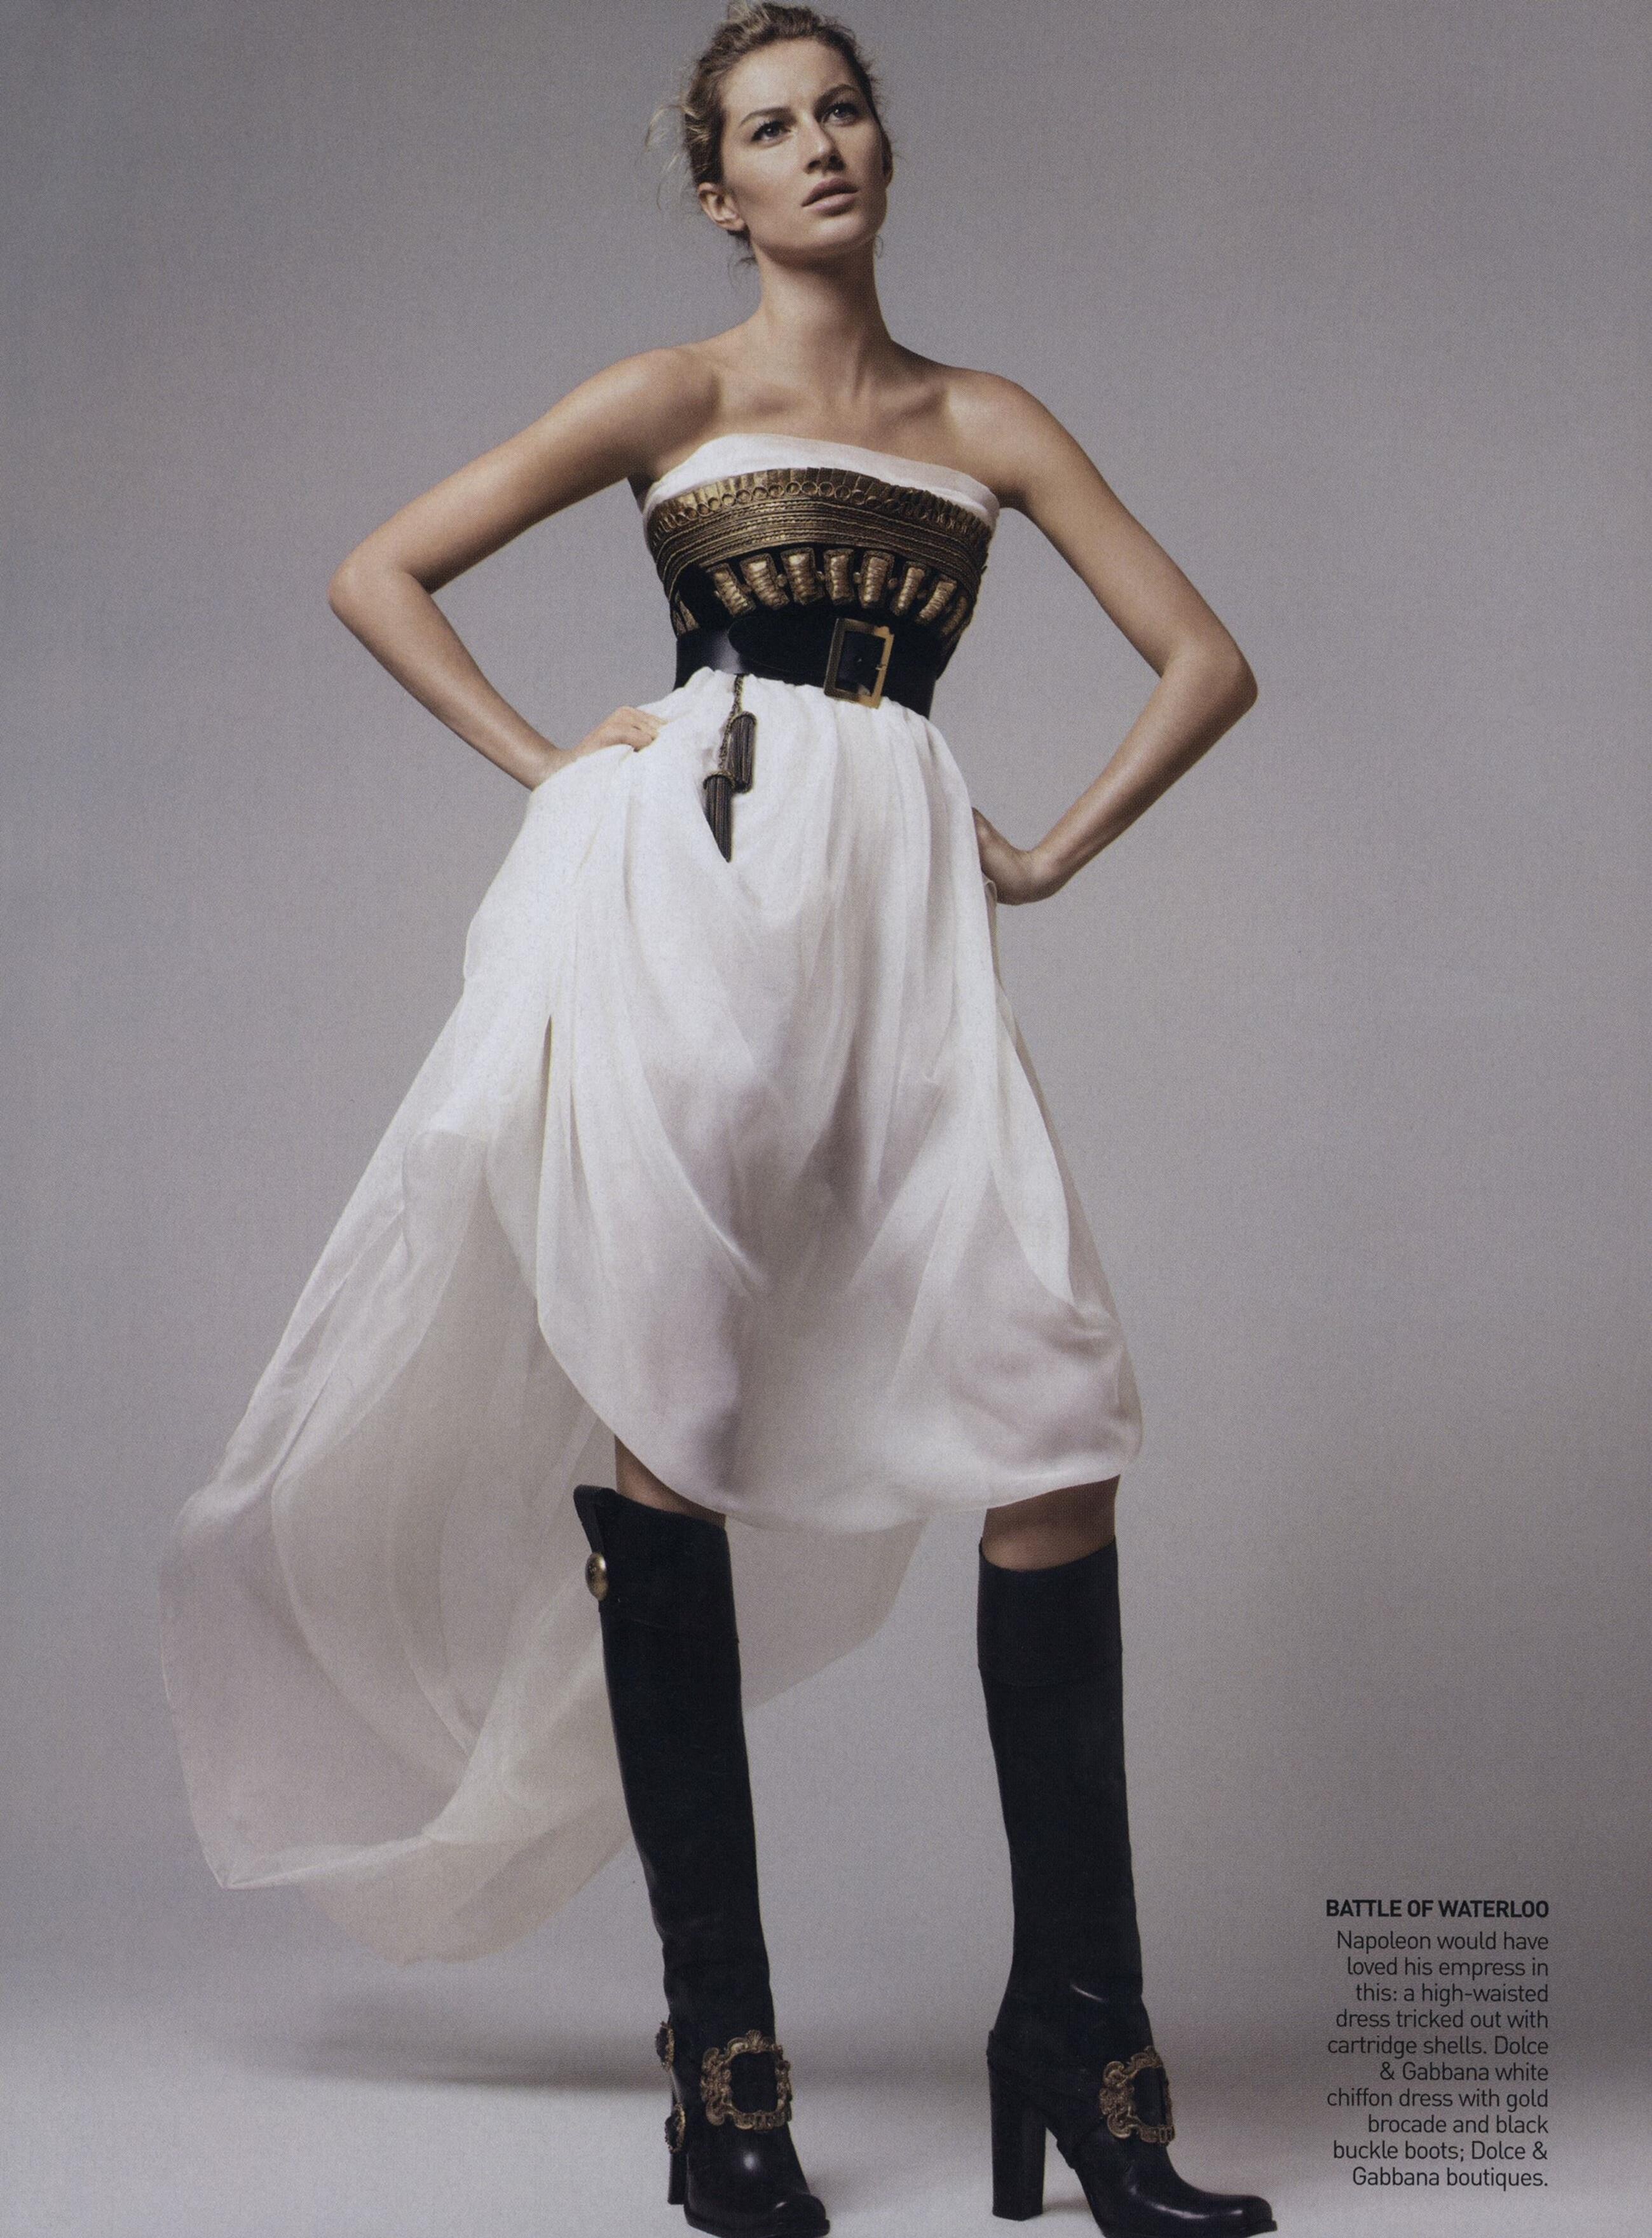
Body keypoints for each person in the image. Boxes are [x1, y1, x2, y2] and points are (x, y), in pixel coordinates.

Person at [161, 6, 1275, 2235]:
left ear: (880, 147)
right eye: (773, 126)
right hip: (701, 918)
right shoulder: (668, 395)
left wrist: (1044, 851)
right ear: (720, 191)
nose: (822, 143)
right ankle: (728, 2070)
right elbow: (382, 569)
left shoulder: (987, 420)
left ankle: (1079, 2037)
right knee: (674, 1418)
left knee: (1054, 1421)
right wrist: (558, 767)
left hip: (909, 950)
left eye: (843, 106)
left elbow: (1208, 658)